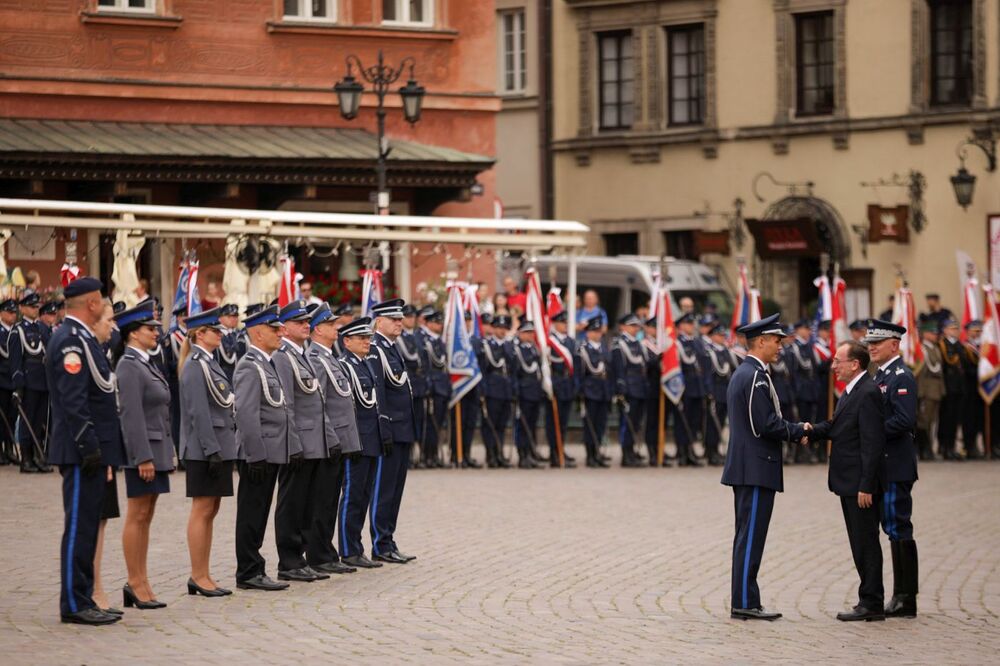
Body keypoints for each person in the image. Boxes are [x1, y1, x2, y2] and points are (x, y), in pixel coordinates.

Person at [46, 277, 125, 625]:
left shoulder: (84, 339)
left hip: (93, 451)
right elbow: (74, 403)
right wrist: (90, 447)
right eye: (101, 303)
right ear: (92, 304)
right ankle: (75, 603)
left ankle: (84, 595)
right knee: (79, 526)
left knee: (89, 526)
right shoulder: (70, 342)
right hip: (81, 452)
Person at [721, 313, 808, 621]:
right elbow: (765, 425)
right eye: (776, 341)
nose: (780, 346)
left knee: (748, 536)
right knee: (750, 537)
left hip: (750, 467)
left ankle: (748, 598)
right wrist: (798, 431)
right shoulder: (754, 376)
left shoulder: (749, 373)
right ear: (760, 342)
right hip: (755, 468)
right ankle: (744, 601)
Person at [806, 341, 887, 621]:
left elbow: (872, 444)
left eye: (838, 361)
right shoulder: (852, 391)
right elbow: (836, 427)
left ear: (854, 364)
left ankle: (872, 602)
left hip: (859, 485)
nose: (833, 366)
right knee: (858, 541)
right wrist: (808, 431)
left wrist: (867, 485)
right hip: (848, 481)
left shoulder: (867, 393)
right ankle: (868, 598)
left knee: (866, 541)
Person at [115, 300, 174, 610]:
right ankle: (135, 582)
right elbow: (131, 416)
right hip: (144, 452)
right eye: (150, 328)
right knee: (137, 515)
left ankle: (141, 580)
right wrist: (142, 457)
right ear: (133, 333)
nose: (155, 333)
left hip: (157, 447)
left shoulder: (145, 362)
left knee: (146, 516)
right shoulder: (128, 365)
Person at [233, 304, 296, 592]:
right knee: (251, 512)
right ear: (258, 334)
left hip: (271, 451)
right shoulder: (249, 365)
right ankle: (247, 570)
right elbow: (246, 414)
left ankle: (254, 568)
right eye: (274, 329)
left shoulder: (265, 363)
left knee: (260, 510)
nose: (280, 333)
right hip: (258, 453)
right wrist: (256, 454)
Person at [178, 306, 238, 597]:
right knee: (202, 509)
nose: (220, 334)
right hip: (205, 448)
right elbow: (197, 412)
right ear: (200, 334)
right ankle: (197, 575)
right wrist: (212, 449)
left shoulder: (210, 363)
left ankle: (205, 573)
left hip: (218, 445)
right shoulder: (194, 364)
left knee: (211, 509)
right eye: (215, 330)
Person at [271, 299, 330, 583]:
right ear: (284, 328)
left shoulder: (302, 354)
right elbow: (287, 405)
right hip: (298, 443)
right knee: (291, 502)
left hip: (313, 441)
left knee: (307, 502)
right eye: (299, 322)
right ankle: (288, 559)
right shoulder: (283, 357)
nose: (307, 325)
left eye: (308, 321)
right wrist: (293, 443)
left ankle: (300, 556)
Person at [865, 319, 920, 618]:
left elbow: (904, 420)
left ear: (894, 345)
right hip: (884, 465)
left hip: (896, 465)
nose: (871, 347)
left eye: (877, 342)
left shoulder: (901, 376)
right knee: (891, 526)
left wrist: (871, 432)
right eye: (869, 343)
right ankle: (901, 594)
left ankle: (905, 597)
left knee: (898, 526)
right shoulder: (880, 376)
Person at [305, 303, 361, 574]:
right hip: (329, 440)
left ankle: (326, 551)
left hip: (338, 438)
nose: (336, 328)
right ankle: (318, 553)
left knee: (329, 497)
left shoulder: (328, 356)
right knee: (322, 498)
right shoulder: (315, 359)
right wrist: (331, 438)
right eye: (331, 325)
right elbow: (319, 404)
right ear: (318, 330)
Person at [337, 316, 393, 569]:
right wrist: (354, 441)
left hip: (371, 439)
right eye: (361, 338)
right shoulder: (345, 366)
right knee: (352, 495)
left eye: (368, 338)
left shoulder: (365, 365)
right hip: (357, 440)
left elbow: (374, 403)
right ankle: (348, 550)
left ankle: (357, 548)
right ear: (347, 341)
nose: (367, 342)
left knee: (364, 495)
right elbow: (347, 409)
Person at [368, 299, 419, 562]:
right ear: (379, 321)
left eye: (400, 319)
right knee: (383, 488)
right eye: (394, 319)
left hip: (403, 429)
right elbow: (379, 393)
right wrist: (384, 428)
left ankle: (388, 539)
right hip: (389, 430)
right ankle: (380, 544)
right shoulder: (376, 349)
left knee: (396, 489)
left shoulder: (391, 348)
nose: (400, 322)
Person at [90, 300, 122, 617]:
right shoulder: (84, 352)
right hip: (93, 453)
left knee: (100, 523)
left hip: (106, 451)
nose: (113, 327)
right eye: (109, 320)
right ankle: (91, 588)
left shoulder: (101, 353)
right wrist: (101, 456)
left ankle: (97, 584)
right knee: (89, 523)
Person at [9, 289, 52, 473]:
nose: (36, 310)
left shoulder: (43, 329)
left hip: (43, 381)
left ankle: (37, 454)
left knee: (40, 420)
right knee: (28, 421)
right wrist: (18, 387)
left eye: (37, 306)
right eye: (32, 307)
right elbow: (16, 362)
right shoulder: (18, 331)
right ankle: (26, 457)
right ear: (22, 308)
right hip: (29, 381)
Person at [611, 313, 647, 467]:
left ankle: (632, 451)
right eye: (632, 326)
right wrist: (620, 389)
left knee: (636, 422)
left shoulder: (638, 344)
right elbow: (618, 369)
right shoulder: (619, 344)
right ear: (623, 327)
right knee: (627, 423)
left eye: (636, 326)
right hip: (628, 387)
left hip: (640, 386)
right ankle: (626, 455)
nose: (635, 329)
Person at [479, 315, 514, 468]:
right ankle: (490, 454)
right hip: (492, 388)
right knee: (490, 424)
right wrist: (483, 390)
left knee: (501, 424)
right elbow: (483, 370)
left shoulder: (509, 346)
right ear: (493, 328)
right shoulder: (486, 345)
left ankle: (499, 452)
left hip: (505, 388)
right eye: (499, 328)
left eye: (504, 328)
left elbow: (513, 368)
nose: (502, 331)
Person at [512, 320, 546, 468]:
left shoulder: (534, 349)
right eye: (527, 333)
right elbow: (514, 373)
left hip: (534, 390)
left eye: (531, 333)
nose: (530, 335)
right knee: (522, 425)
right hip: (523, 390)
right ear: (520, 333)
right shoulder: (516, 350)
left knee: (531, 424)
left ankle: (530, 452)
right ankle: (522, 455)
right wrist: (515, 391)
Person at [578, 317, 612, 468]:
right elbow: (580, 373)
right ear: (588, 333)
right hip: (590, 390)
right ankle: (590, 455)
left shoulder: (604, 348)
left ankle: (597, 452)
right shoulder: (583, 349)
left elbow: (610, 369)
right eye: (594, 331)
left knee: (600, 424)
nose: (598, 334)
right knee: (590, 424)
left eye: (599, 331)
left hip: (603, 390)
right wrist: (581, 391)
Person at [545, 310, 577, 468]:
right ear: (555, 324)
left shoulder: (570, 342)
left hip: (567, 384)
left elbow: (575, 364)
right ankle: (553, 452)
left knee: (563, 421)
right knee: (553, 421)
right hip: (555, 383)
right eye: (562, 322)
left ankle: (560, 449)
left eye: (566, 322)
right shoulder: (549, 341)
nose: (564, 325)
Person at [420, 310, 450, 467]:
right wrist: (428, 385)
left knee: (439, 422)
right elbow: (424, 366)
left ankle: (435, 454)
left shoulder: (439, 341)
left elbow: (443, 364)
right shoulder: (425, 341)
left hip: (442, 386)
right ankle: (427, 455)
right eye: (437, 322)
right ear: (429, 323)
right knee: (430, 424)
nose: (440, 325)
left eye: (441, 322)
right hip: (432, 386)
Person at [675, 313, 706, 467]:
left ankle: (691, 450)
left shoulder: (697, 342)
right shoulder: (677, 343)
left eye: (691, 324)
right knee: (683, 421)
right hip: (685, 387)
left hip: (697, 386)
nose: (691, 326)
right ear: (681, 326)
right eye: (688, 324)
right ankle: (682, 452)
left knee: (694, 421)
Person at [702, 323, 735, 467]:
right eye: (720, 335)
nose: (722, 338)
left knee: (720, 422)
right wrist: (709, 392)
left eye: (723, 335)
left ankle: (716, 450)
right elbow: (707, 375)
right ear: (713, 336)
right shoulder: (709, 352)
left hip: (725, 391)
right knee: (712, 423)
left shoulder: (725, 352)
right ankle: (710, 451)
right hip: (715, 390)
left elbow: (729, 372)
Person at [788, 320, 819, 464]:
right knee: (800, 421)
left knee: (810, 420)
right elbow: (793, 373)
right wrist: (795, 392)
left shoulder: (808, 346)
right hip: (801, 391)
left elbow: (812, 368)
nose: (808, 331)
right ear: (798, 329)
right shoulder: (794, 348)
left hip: (810, 390)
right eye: (806, 328)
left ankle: (808, 450)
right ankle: (800, 452)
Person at [915, 316, 944, 461]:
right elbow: (921, 372)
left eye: (936, 332)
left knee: (933, 421)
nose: (935, 335)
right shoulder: (922, 349)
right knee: (924, 421)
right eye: (932, 332)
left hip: (936, 390)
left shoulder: (936, 348)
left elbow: (939, 371)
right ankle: (924, 449)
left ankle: (929, 448)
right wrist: (920, 392)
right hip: (926, 390)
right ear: (925, 334)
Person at [937, 318, 965, 460]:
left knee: (955, 419)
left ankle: (952, 446)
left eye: (956, 328)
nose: (955, 331)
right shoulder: (942, 345)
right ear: (945, 330)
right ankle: (944, 447)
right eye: (952, 328)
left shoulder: (960, 345)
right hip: (948, 387)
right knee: (946, 419)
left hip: (959, 387)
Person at [961, 320, 984, 459]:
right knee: (968, 419)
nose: (977, 333)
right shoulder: (965, 347)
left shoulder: (985, 347)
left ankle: (977, 445)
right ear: (968, 331)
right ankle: (968, 446)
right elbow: (965, 367)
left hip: (982, 389)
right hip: (968, 388)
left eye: (979, 331)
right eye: (974, 330)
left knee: (978, 419)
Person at [0, 298, 18, 466]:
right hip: (1, 380)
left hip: (12, 380)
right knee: (1, 417)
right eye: (10, 312)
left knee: (12, 417)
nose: (13, 315)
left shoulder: (16, 332)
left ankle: (9, 449)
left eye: (15, 313)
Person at [215, 303, 240, 381]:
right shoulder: (216, 336)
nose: (233, 319)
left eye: (235, 316)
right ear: (220, 318)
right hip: (222, 379)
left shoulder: (233, 335)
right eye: (229, 316)